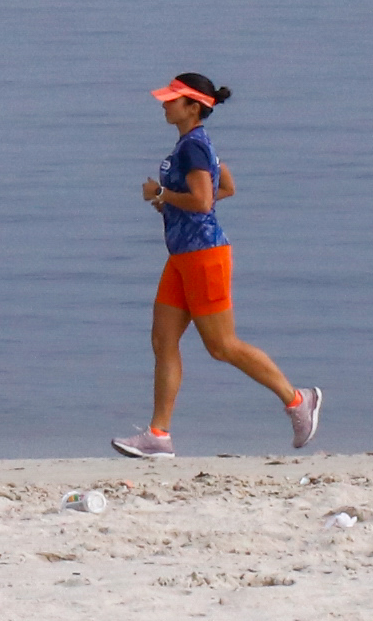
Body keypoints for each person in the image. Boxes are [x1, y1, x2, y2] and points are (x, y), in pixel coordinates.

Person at [113, 73, 319, 459]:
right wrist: (173, 201)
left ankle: (297, 400)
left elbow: (205, 200)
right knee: (163, 340)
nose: (164, 104)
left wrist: (160, 193)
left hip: (204, 255)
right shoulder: (194, 144)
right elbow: (226, 187)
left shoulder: (194, 147)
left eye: (172, 100)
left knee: (222, 346)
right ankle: (159, 434)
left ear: (193, 107)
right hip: (181, 256)